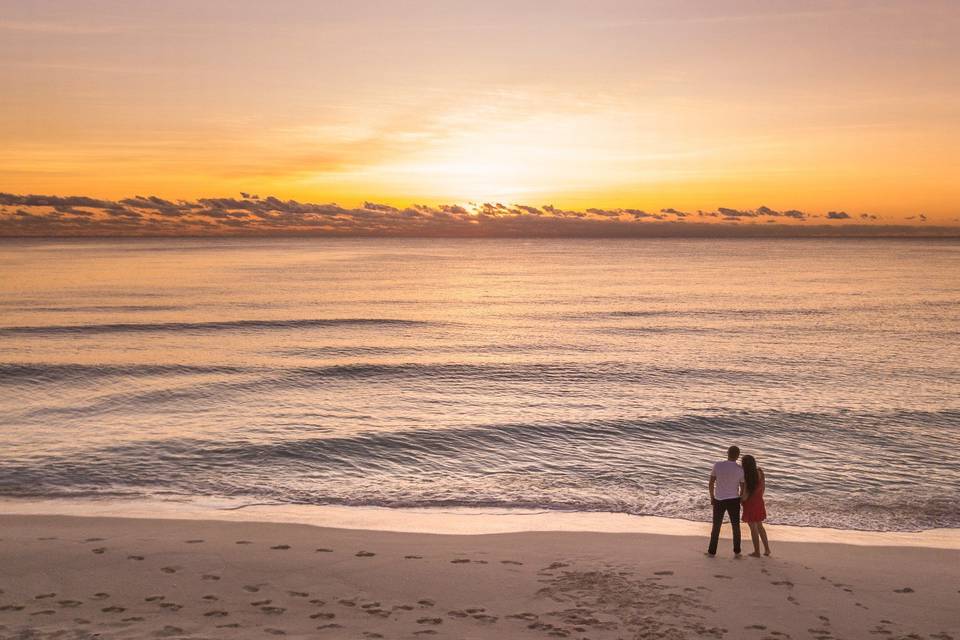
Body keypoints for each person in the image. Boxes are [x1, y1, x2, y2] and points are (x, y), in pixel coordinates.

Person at [707, 445, 744, 556]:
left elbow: (711, 483)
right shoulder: (740, 469)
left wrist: (712, 496)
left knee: (716, 526)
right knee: (735, 526)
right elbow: (743, 487)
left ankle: (712, 551)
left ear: (727, 453)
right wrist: (741, 499)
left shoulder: (717, 465)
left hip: (719, 499)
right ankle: (737, 551)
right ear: (738, 456)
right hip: (734, 500)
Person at [740, 454, 771, 557]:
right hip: (759, 501)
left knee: (753, 527)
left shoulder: (747, 475)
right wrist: (759, 497)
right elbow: (763, 487)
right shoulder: (760, 472)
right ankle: (767, 549)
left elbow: (745, 494)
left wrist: (740, 500)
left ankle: (757, 552)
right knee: (760, 526)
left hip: (750, 503)